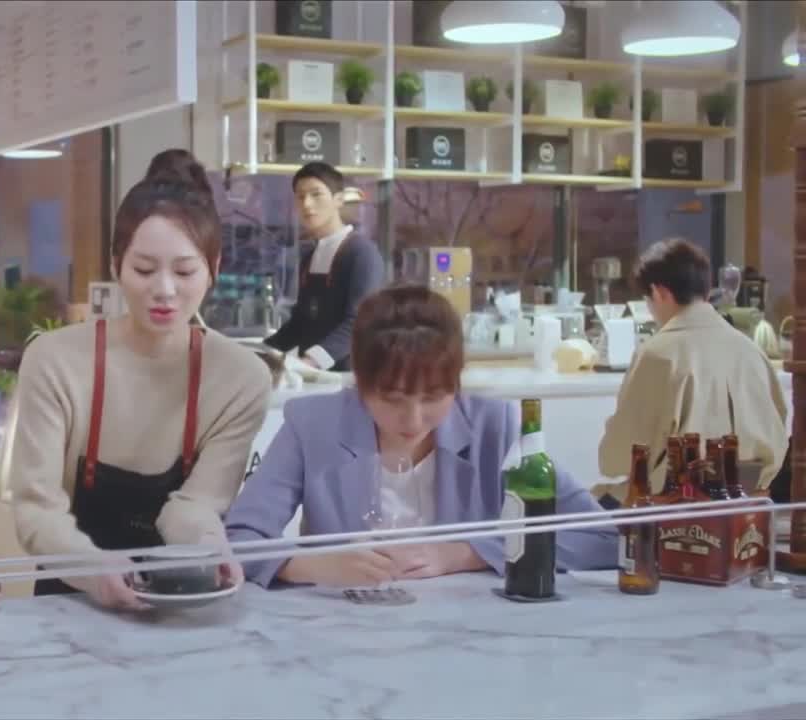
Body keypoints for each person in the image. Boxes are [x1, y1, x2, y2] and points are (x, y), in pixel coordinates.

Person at [226, 285, 617, 588]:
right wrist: (311, 565)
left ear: (456, 383)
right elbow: (240, 538)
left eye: (433, 397)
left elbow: (603, 537)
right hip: (345, 625)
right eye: (392, 399)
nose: (413, 419)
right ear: (360, 384)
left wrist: (467, 554)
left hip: (467, 630)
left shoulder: (493, 426)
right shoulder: (312, 424)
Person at [9, 164, 273, 609]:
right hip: (70, 599)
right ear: (116, 265)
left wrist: (211, 547)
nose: (164, 290)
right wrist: (94, 571)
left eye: (185, 272)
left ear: (214, 269)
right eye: (144, 269)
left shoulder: (241, 378)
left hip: (180, 599)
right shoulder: (54, 360)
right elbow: (36, 510)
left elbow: (194, 507)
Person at [595, 238, 788, 501]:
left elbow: (618, 457)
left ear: (659, 292)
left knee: (576, 502)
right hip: (750, 502)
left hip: (677, 503)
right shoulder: (751, 351)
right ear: (706, 292)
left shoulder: (658, 354)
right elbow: (778, 430)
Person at [262, 161, 385, 372]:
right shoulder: (309, 256)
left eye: (316, 194)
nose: (307, 204)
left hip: (347, 376)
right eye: (300, 196)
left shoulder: (362, 252)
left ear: (338, 200)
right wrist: (263, 353)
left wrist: (310, 362)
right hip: (313, 377)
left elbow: (359, 322)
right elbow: (301, 322)